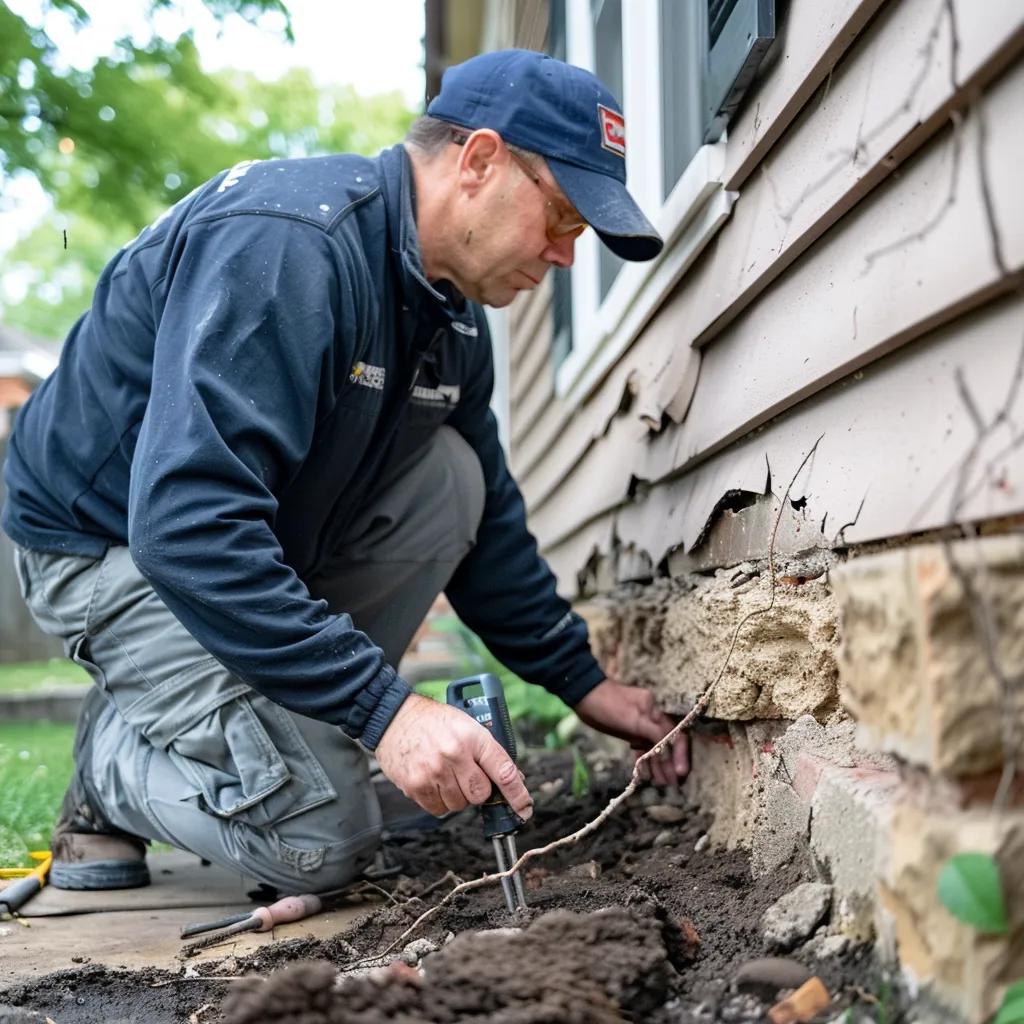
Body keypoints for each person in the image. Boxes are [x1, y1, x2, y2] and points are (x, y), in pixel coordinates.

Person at [2, 49, 689, 895]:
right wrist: (386, 712)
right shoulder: (291, 247)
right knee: (320, 839)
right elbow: (185, 523)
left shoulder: (454, 324)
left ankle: (250, 734)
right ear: (478, 161)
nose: (564, 256)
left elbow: (489, 529)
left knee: (454, 475)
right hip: (108, 543)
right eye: (560, 217)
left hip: (243, 534)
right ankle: (111, 768)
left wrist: (584, 684)